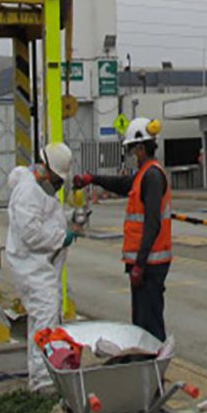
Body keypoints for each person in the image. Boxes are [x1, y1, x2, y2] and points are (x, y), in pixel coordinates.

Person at [73, 118, 171, 341]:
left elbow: (152, 224)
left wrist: (140, 264)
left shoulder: (152, 176)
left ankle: (154, 360)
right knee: (142, 320)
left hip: (150, 263)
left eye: (133, 150)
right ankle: (145, 358)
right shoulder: (145, 174)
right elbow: (122, 184)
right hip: (146, 262)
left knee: (149, 322)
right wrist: (93, 178)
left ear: (141, 148)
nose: (132, 156)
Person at [5, 142, 80, 392]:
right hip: (31, 265)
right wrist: (62, 238)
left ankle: (43, 376)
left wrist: (67, 224)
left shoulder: (37, 189)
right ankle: (43, 382)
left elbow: (47, 217)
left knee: (43, 318)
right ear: (46, 170)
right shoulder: (28, 191)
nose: (57, 186)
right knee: (46, 318)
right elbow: (32, 234)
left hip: (39, 265)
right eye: (57, 180)